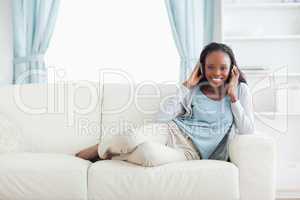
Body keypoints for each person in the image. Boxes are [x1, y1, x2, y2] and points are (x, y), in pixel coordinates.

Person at [75, 42, 255, 166]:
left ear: (232, 69)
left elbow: (247, 130)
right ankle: (99, 149)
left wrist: (233, 98)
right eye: (210, 67)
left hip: (190, 152)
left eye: (223, 67)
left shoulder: (240, 91)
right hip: (170, 131)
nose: (216, 72)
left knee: (147, 155)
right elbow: (161, 119)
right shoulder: (194, 90)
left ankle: (109, 154)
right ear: (202, 67)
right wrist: (186, 86)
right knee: (129, 139)